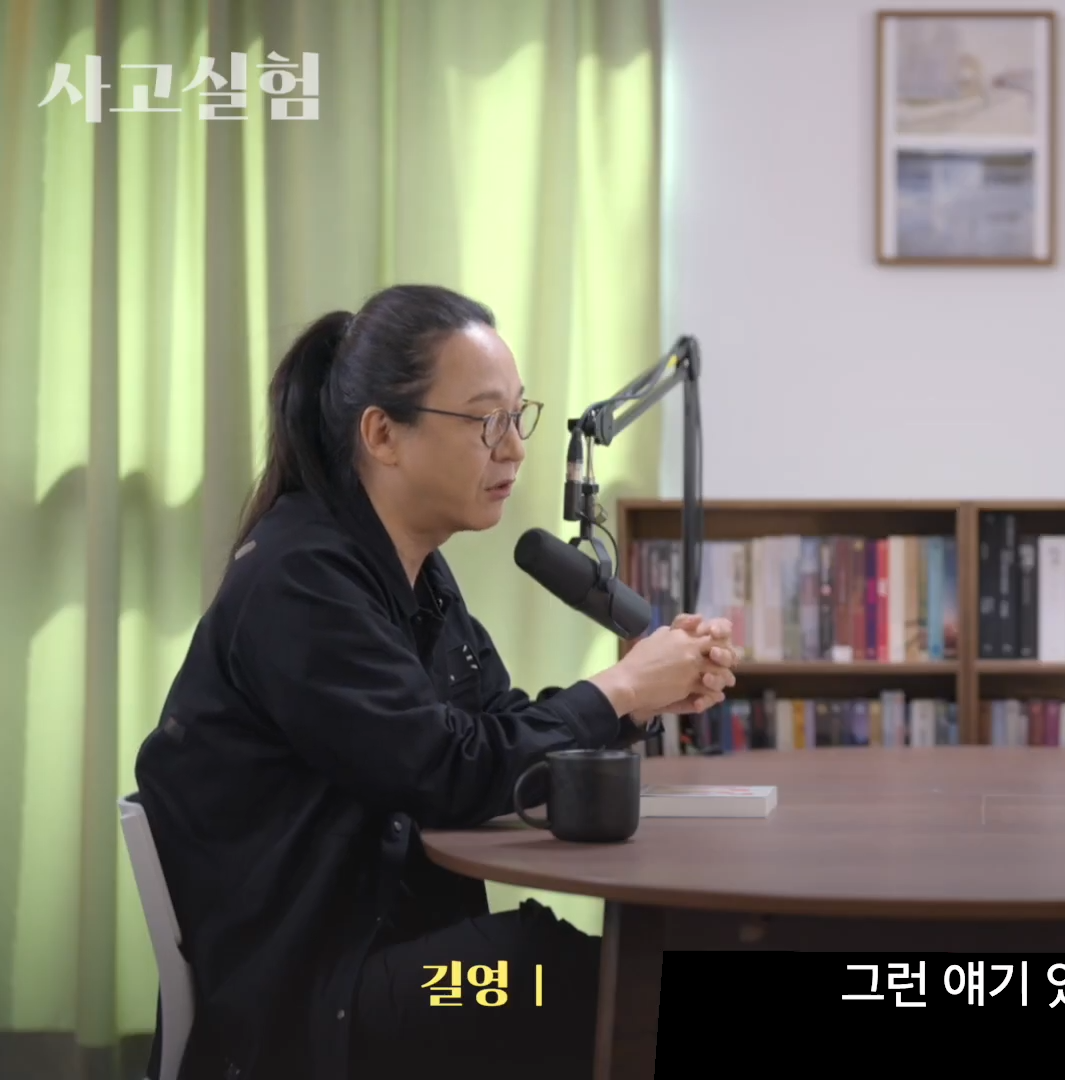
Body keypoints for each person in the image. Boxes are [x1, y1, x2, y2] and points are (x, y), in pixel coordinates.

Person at [133, 284, 737, 1080]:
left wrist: (642, 697)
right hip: (326, 999)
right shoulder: (301, 580)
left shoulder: (415, 571)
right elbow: (447, 770)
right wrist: (621, 689)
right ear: (382, 434)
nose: (514, 449)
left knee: (596, 975)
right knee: (566, 983)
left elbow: (496, 734)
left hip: (394, 958)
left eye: (517, 416)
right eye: (486, 420)